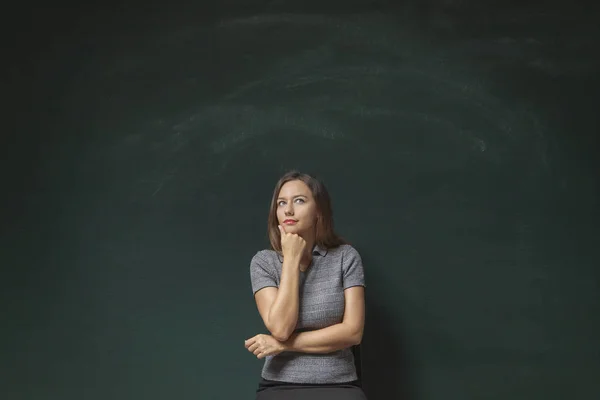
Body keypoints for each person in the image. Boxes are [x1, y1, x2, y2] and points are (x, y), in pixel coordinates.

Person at [245, 170, 367, 400]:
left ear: (318, 211)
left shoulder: (346, 257)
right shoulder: (264, 262)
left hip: (338, 385)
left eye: (299, 201)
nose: (288, 210)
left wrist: (282, 346)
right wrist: (290, 260)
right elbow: (280, 328)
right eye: (282, 203)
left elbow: (352, 332)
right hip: (280, 385)